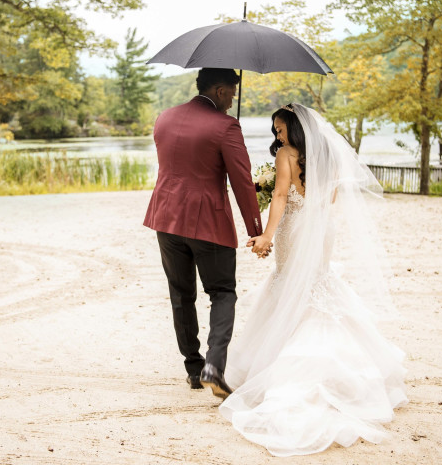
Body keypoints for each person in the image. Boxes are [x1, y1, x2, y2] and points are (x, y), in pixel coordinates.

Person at [219, 103, 408, 457]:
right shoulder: (329, 153)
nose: (277, 136)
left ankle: (286, 363)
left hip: (295, 227)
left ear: (293, 128)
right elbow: (332, 197)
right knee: (319, 281)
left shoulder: (287, 156)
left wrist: (266, 235)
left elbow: (279, 196)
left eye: (279, 129)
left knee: (288, 282)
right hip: (321, 227)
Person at [143, 68, 264, 399]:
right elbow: (241, 180)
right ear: (221, 90)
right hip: (207, 222)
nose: (233, 101)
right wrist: (257, 229)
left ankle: (194, 370)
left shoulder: (164, 118)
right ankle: (214, 366)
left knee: (181, 294)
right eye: (233, 94)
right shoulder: (226, 126)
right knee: (222, 292)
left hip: (165, 217)